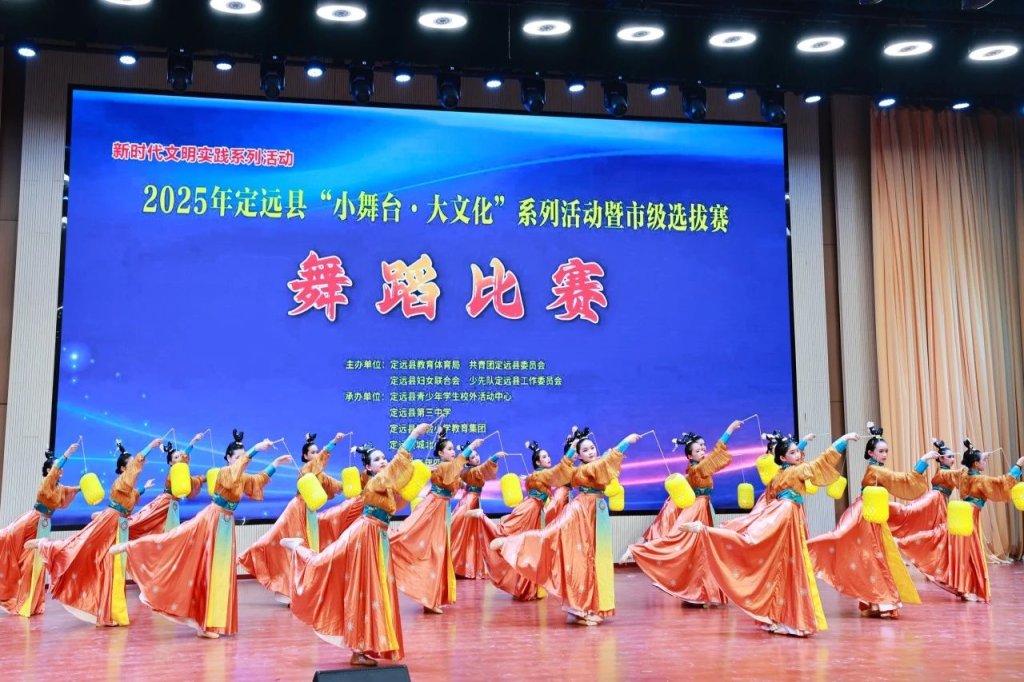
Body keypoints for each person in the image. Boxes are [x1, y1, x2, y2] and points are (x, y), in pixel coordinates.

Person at [677, 432, 861, 637]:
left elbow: (779, 487)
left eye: (798, 452)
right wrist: (842, 441)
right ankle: (790, 621)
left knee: (776, 564)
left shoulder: (779, 475)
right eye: (794, 453)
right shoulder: (796, 472)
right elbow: (820, 463)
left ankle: (775, 617)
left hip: (783, 516)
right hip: (785, 518)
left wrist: (803, 444)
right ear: (783, 457)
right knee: (781, 561)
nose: (799, 455)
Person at [110, 430, 289, 638]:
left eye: (242, 457)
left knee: (220, 572)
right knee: (175, 543)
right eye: (237, 457)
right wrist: (255, 450)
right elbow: (235, 473)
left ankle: (209, 623)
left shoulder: (241, 477)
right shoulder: (224, 472)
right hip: (212, 520)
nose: (240, 460)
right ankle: (130, 546)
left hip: (226, 523)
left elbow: (258, 480)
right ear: (229, 458)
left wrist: (275, 464)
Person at [284, 423, 430, 667]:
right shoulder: (376, 482)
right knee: (354, 584)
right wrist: (414, 435)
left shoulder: (385, 487)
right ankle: (298, 549)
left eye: (383, 458)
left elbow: (399, 492)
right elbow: (397, 466)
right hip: (365, 536)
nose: (383, 461)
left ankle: (369, 644)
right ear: (368, 468)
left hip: (378, 537)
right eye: (377, 459)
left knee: (375, 591)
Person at [492, 427, 641, 625]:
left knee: (585, 558)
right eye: (585, 450)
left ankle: (579, 608)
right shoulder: (584, 469)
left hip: (595, 510)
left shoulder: (590, 466)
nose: (591, 452)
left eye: (592, 448)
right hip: (583, 510)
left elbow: (604, 460)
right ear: (579, 455)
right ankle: (512, 543)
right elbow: (605, 461)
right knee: (571, 551)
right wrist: (626, 442)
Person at [28, 438, 160, 626]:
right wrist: (149, 448)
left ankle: (110, 614)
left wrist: (144, 488)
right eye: (131, 464)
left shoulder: (127, 487)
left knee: (112, 567)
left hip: (120, 525)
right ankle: (45, 545)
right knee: (79, 547)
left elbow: (132, 496)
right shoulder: (122, 481)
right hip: (111, 522)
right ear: (124, 468)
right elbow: (136, 467)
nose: (136, 467)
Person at [807, 423, 930, 618]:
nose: (885, 454)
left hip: (872, 513)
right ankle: (807, 551)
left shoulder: (878, 469)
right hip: (864, 513)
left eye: (886, 451)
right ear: (871, 453)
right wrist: (923, 462)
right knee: (862, 550)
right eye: (881, 451)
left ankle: (877, 602)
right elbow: (905, 479)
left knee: (872, 556)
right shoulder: (876, 470)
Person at [628, 419, 744, 606]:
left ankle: (697, 592)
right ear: (690, 456)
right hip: (697, 508)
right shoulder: (699, 469)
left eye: (702, 449)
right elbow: (717, 453)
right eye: (698, 450)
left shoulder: (695, 469)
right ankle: (697, 591)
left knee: (699, 549)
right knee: (696, 547)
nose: (702, 452)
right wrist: (729, 430)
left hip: (702, 507)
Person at [239, 431, 345, 603]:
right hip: (297, 510)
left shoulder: (320, 475)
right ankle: (252, 556)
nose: (316, 455)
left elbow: (336, 485)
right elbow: (319, 462)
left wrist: (355, 485)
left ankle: (308, 589)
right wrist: (333, 442)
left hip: (310, 512)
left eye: (317, 452)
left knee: (312, 548)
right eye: (312, 452)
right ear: (305, 456)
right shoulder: (306, 469)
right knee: (280, 541)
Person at [389, 427, 484, 614]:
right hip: (434, 507)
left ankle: (432, 598)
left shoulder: (447, 468)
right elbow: (454, 467)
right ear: (440, 453)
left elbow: (458, 476)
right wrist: (472, 446)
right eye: (449, 449)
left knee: (438, 552)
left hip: (442, 508)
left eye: (453, 449)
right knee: (431, 550)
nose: (453, 451)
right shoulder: (444, 467)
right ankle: (429, 599)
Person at [482, 439, 575, 601]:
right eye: (544, 457)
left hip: (533, 509)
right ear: (538, 462)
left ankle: (526, 586)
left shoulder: (536, 474)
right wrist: (572, 450)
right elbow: (559, 471)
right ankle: (483, 519)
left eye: (548, 456)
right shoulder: (541, 474)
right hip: (530, 510)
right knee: (518, 539)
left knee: (529, 547)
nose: (548, 458)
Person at [0, 442, 80, 617]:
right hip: (33, 522)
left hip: (44, 523)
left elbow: (68, 490)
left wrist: (82, 487)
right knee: (30, 561)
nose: (60, 471)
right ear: (50, 471)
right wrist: (67, 454)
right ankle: (24, 603)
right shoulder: (46, 482)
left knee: (38, 561)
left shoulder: (58, 487)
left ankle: (33, 603)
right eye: (57, 468)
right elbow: (55, 474)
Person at [128, 433, 206, 539]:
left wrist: (194, 441)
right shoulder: (173, 471)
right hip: (164, 503)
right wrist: (193, 441)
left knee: (168, 533)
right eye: (176, 457)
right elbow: (184, 456)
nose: (180, 459)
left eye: (180, 457)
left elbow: (185, 458)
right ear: (170, 462)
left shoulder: (181, 471)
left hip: (173, 504)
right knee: (143, 521)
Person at [450, 444, 501, 579]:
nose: (476, 458)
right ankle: (456, 565)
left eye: (477, 455)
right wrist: (495, 457)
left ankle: (464, 567)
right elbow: (483, 469)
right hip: (469, 502)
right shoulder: (471, 471)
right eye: (472, 457)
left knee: (470, 535)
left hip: (472, 500)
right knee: (463, 533)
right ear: (468, 461)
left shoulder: (469, 471)